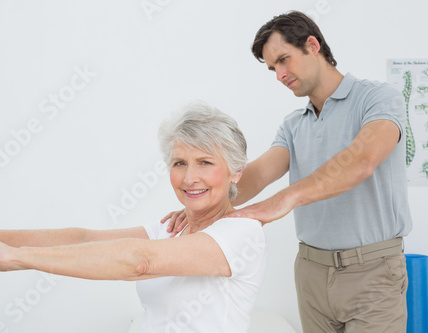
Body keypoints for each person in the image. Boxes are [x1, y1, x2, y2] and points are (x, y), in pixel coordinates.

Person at [163, 11, 412, 332]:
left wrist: (286, 199)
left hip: (373, 272)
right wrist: (201, 202)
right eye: (272, 68)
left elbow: (362, 159)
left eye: (284, 60)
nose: (279, 74)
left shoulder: (377, 98)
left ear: (312, 45)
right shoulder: (294, 125)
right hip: (311, 271)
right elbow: (256, 176)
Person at [0, 102, 267, 333]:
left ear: (236, 172)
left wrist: (19, 256)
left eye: (205, 162)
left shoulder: (241, 234)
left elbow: (139, 261)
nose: (189, 178)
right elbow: (84, 238)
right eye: (180, 163)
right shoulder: (173, 227)